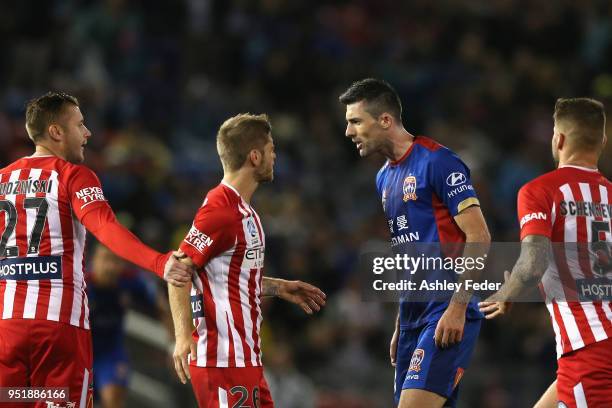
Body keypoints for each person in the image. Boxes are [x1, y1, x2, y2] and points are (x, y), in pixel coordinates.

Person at [0, 92, 192, 408]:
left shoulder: (3, 180)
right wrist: (159, 262)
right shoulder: (72, 175)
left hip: (7, 330)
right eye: (80, 124)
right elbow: (105, 228)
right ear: (56, 132)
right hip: (58, 331)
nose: (88, 133)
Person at [339, 78, 491, 408]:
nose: (349, 132)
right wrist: (401, 320)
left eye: (355, 121)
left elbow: (479, 236)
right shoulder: (383, 177)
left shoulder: (439, 162)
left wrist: (458, 306)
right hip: (413, 316)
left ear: (385, 120)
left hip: (445, 307)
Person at [168, 113, 326, 408]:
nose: (275, 155)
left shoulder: (245, 213)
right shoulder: (220, 209)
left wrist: (279, 288)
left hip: (246, 359)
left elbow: (226, 276)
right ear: (255, 156)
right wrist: (181, 337)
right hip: (222, 360)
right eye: (271, 149)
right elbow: (179, 268)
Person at [479, 98, 612, 408]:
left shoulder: (540, 190)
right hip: (590, 350)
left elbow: (534, 261)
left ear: (559, 139)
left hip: (589, 351)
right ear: (602, 142)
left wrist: (506, 293)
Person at [88, 243, 171, 408]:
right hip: (81, 353)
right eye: (105, 259)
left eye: (116, 261)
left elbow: (161, 306)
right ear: (93, 260)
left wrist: (174, 344)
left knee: (112, 399)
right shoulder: (80, 282)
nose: (110, 267)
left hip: (111, 353)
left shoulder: (131, 280)